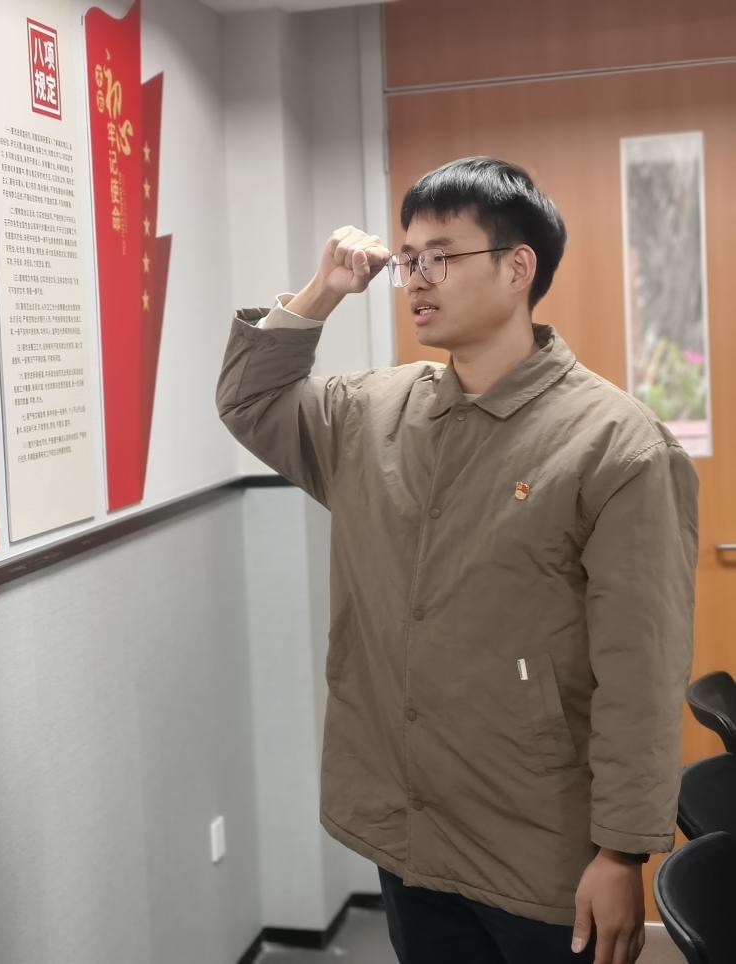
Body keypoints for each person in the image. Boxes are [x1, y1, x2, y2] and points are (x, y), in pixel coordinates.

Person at [216, 157, 698, 964]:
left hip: (538, 843)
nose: (414, 277)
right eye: (406, 258)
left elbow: (640, 671)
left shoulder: (613, 443)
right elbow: (249, 400)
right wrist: (323, 289)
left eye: (439, 256)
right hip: (406, 824)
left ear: (517, 268)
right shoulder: (373, 413)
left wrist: (621, 852)